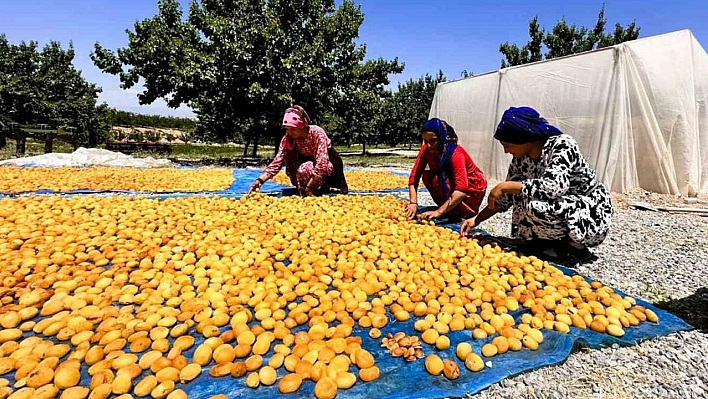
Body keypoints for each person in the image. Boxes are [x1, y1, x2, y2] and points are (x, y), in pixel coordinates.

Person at [460, 106, 613, 260]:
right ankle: (544, 243)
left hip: (587, 210)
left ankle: (574, 247)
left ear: (524, 138)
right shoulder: (520, 159)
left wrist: (505, 186)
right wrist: (475, 220)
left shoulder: (562, 145)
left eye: (507, 145)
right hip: (561, 205)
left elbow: (555, 187)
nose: (506, 151)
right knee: (521, 192)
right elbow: (504, 199)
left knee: (533, 203)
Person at [248, 105, 347, 196]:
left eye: (293, 129)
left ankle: (320, 188)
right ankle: (307, 189)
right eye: (287, 129)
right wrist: (260, 181)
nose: (289, 132)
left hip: (327, 168)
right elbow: (278, 161)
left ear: (302, 126)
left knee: (305, 169)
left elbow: (322, 164)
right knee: (300, 167)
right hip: (306, 167)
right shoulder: (288, 138)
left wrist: (309, 188)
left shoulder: (317, 133)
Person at [406, 118, 487, 221]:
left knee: (444, 180)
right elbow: (414, 177)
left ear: (442, 138)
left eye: (433, 141)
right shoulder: (426, 150)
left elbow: (461, 189)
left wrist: (439, 212)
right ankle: (449, 208)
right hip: (452, 183)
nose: (428, 145)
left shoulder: (455, 153)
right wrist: (413, 203)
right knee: (430, 176)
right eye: (425, 141)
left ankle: (462, 211)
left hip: (471, 186)